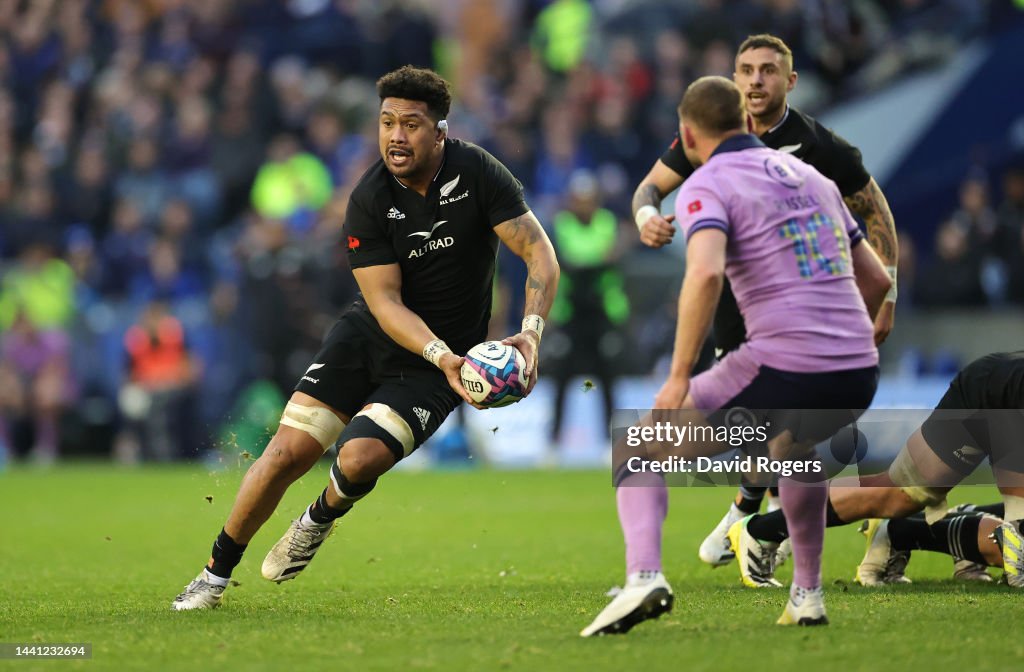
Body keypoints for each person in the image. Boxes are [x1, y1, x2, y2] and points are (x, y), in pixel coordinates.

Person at [172, 66, 559, 610]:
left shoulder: (479, 173)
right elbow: (385, 303)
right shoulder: (369, 199)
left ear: (439, 132)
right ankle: (212, 577)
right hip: (374, 337)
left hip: (434, 369)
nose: (396, 136)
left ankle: (319, 517)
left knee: (356, 461)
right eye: (386, 123)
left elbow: (539, 253)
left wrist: (531, 333)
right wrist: (443, 354)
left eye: (411, 124)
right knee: (287, 451)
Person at [581, 76, 890, 636]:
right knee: (794, 452)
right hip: (858, 371)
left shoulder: (708, 184)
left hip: (784, 361)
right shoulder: (814, 178)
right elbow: (873, 277)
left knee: (640, 447)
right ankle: (807, 596)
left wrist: (678, 378)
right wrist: (850, 340)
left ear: (688, 135)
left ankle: (644, 578)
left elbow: (703, 273)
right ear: (748, 124)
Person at [632, 34, 900, 567]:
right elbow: (648, 190)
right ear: (733, 81)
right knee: (772, 429)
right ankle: (761, 524)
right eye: (746, 70)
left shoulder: (821, 151)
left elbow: (876, 214)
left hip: (799, 314)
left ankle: (749, 526)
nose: (756, 80)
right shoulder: (704, 141)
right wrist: (646, 219)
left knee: (766, 429)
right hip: (737, 307)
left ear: (790, 81)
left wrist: (887, 297)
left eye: (768, 71)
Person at [727, 351, 1024, 588]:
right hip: (994, 392)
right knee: (901, 492)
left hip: (1005, 390)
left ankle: (918, 529)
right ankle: (761, 531)